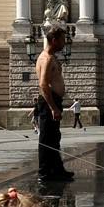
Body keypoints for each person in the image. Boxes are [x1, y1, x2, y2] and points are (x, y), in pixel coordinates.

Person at [33, 26, 74, 182]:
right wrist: (53, 107)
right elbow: (43, 84)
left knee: (54, 137)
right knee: (46, 139)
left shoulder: (52, 57)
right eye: (62, 40)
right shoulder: (47, 58)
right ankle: (44, 173)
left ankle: (57, 169)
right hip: (48, 102)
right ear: (54, 40)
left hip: (53, 100)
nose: (64, 43)